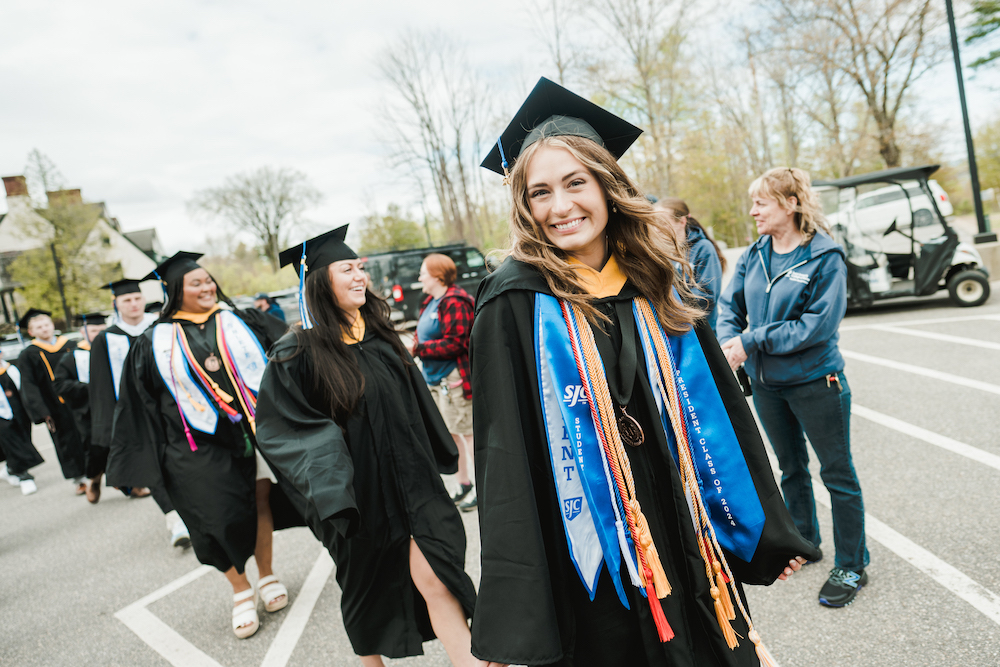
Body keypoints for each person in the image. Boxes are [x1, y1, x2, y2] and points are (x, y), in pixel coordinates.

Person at [470, 77, 820, 667]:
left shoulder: (657, 280)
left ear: (608, 186)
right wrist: (517, 610)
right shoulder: (512, 303)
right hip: (589, 543)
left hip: (681, 524)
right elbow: (504, 457)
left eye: (576, 183)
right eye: (540, 193)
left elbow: (722, 417)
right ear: (524, 206)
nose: (561, 207)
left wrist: (767, 529)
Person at [255, 226, 478, 667]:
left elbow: (416, 406)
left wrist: (437, 458)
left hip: (413, 484)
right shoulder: (297, 353)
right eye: (347, 268)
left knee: (439, 578)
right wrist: (330, 484)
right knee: (366, 595)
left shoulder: (380, 336)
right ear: (319, 281)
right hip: (358, 498)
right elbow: (283, 429)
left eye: (361, 268)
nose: (360, 276)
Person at [107, 252, 303, 639]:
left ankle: (266, 576)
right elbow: (139, 402)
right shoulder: (153, 342)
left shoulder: (240, 320)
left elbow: (288, 353)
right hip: (194, 444)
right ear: (175, 290)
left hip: (250, 432)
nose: (207, 287)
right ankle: (239, 588)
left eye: (208, 280)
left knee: (262, 500)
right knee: (213, 518)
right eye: (196, 283)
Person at [716, 167, 870, 608]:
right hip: (768, 386)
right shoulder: (755, 253)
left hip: (816, 382)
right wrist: (730, 340)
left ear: (790, 203)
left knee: (837, 476)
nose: (752, 211)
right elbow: (730, 304)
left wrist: (750, 340)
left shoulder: (825, 256)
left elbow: (815, 328)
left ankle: (853, 564)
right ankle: (805, 539)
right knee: (790, 469)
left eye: (761, 203)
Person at [89, 279, 190, 547]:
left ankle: (189, 511)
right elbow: (100, 385)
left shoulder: (160, 327)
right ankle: (175, 520)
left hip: (170, 407)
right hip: (132, 413)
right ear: (116, 303)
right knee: (150, 462)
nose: (133, 304)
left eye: (136, 298)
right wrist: (108, 423)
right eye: (126, 300)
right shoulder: (105, 338)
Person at [413, 253, 477, 511]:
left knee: (469, 434)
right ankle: (464, 483)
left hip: (455, 380)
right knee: (452, 433)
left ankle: (482, 489)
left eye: (423, 273)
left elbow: (457, 342)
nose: (419, 278)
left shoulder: (455, 302)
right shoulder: (431, 301)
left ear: (438, 276)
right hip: (437, 380)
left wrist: (419, 349)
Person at [15, 309, 88, 494]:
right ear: (31, 332)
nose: (44, 328)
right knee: (66, 442)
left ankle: (98, 470)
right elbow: (28, 385)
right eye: (39, 327)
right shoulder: (28, 355)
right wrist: (41, 411)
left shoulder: (71, 344)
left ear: (52, 325)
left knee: (89, 435)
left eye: (46, 324)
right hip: (54, 407)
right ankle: (79, 479)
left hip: (79, 400)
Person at [652, 197, 726, 332]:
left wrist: (667, 306)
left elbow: (707, 297)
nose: (657, 229)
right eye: (654, 223)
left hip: (700, 333)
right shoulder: (658, 252)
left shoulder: (703, 248)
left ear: (682, 221)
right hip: (671, 331)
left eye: (663, 223)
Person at [0, 351, 44, 495]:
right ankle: (24, 476)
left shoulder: (11, 369)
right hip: (1, 416)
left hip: (19, 412)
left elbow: (23, 389)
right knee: (13, 442)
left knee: (23, 438)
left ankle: (10, 469)